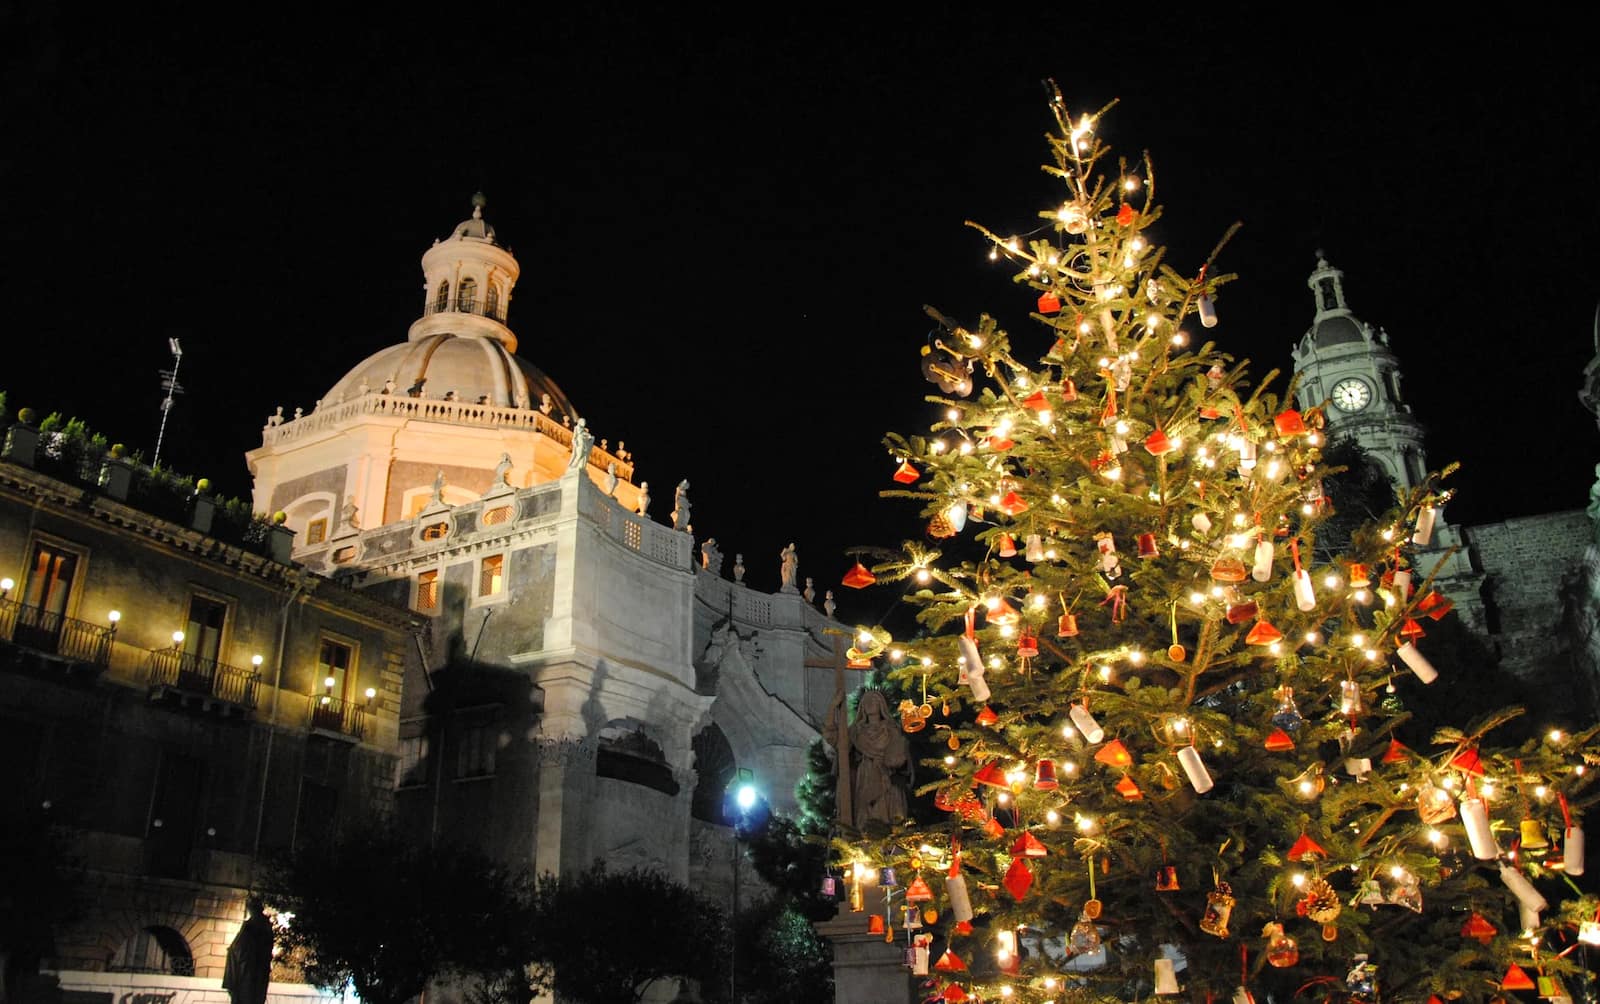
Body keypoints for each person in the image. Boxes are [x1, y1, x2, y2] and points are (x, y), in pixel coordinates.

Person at [848, 690, 909, 827]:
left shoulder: (890, 729)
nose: (870, 704)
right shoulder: (856, 731)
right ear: (862, 706)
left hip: (887, 773)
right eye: (867, 701)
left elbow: (899, 751)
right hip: (867, 772)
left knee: (890, 809)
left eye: (874, 700)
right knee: (867, 809)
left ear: (881, 704)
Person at [222, 896, 273, 1004]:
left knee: (245, 996)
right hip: (260, 971)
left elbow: (237, 946)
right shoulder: (266, 924)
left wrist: (231, 950)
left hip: (247, 970)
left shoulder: (249, 925)